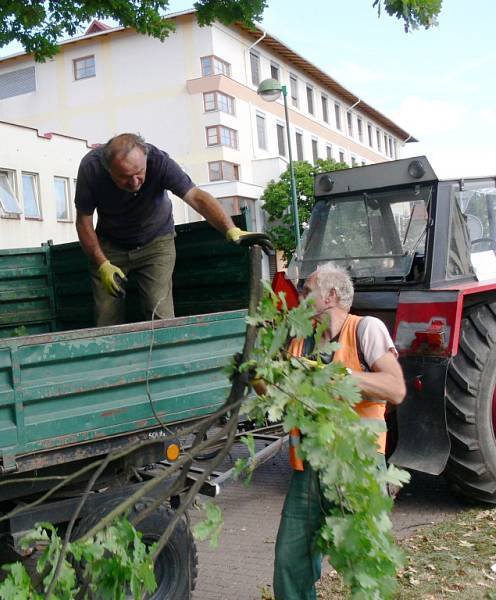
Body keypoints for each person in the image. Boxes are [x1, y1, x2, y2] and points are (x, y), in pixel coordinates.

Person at [272, 262, 406, 600]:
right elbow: (283, 397)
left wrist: (339, 378)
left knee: (363, 566)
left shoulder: (366, 330)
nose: (300, 295)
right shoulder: (301, 342)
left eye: (307, 290)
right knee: (290, 562)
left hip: (356, 465)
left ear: (331, 296)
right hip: (308, 468)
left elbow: (395, 388)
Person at [74, 132, 271, 326]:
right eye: (125, 177)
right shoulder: (91, 168)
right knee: (107, 318)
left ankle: (163, 355)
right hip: (110, 247)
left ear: (145, 158)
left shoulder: (159, 161)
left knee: (160, 315)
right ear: (109, 170)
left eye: (139, 173)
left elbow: (196, 197)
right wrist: (102, 264)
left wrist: (231, 229)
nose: (135, 183)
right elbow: (84, 221)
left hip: (156, 242)